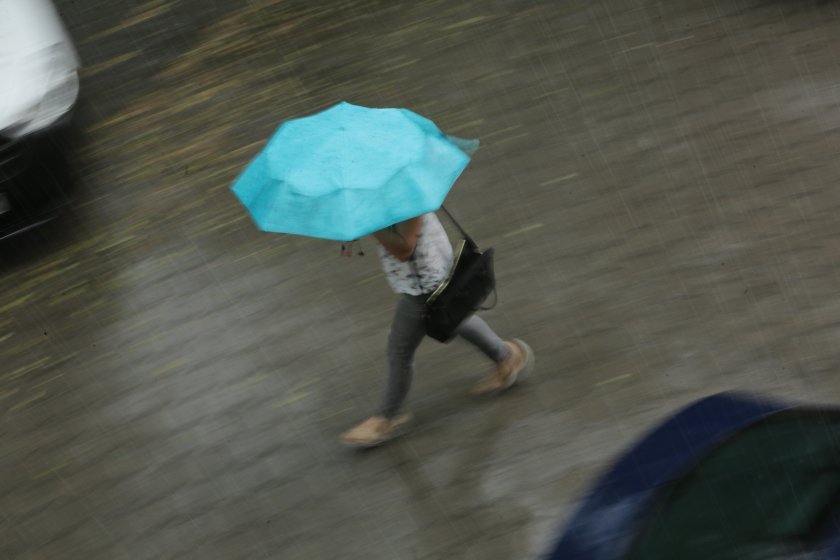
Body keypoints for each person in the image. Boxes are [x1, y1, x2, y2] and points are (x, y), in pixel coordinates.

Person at [340, 212, 534, 448]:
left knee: (399, 350)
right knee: (452, 317)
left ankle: (386, 418)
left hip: (424, 284)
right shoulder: (387, 192)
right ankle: (507, 356)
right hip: (422, 278)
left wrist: (368, 224)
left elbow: (404, 248)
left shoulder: (408, 195)